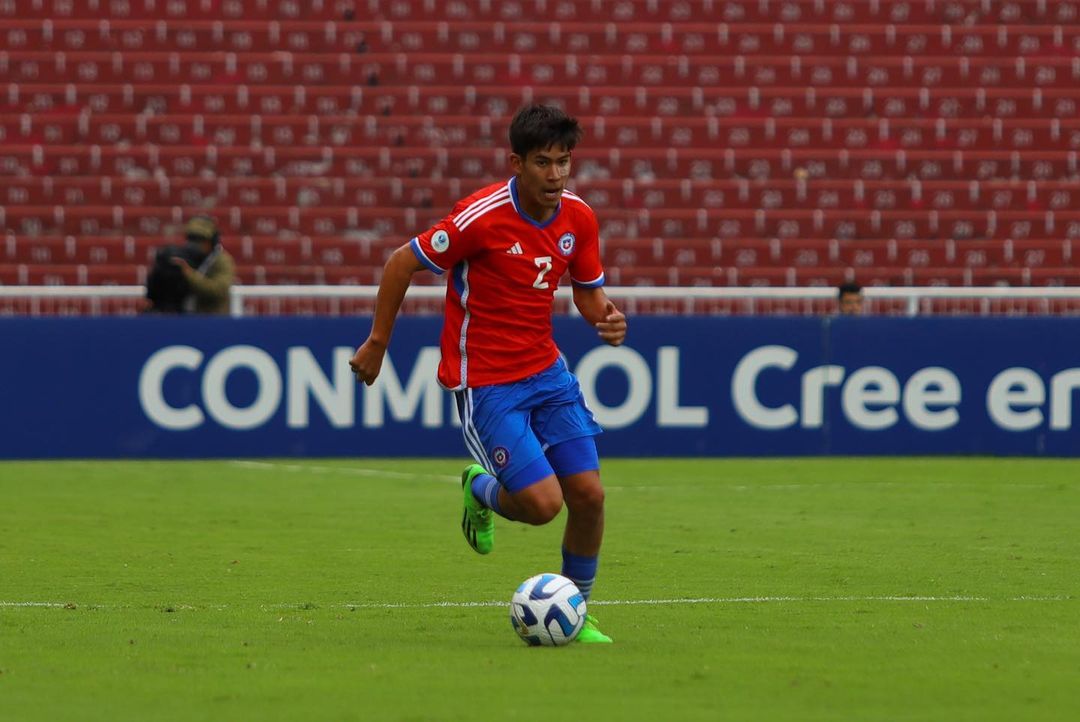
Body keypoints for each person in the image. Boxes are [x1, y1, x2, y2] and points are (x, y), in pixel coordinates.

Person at [349, 104, 627, 644]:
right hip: (487, 384)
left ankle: (576, 611)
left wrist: (606, 318)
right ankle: (480, 490)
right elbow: (400, 263)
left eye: (564, 162)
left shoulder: (579, 217)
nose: (555, 175)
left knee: (590, 496)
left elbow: (588, 292)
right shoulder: (481, 217)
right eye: (543, 163)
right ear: (516, 163)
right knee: (544, 506)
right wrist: (378, 342)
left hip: (547, 372)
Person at [146, 215, 235, 314]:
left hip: (211, 317)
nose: (195, 244)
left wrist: (189, 273)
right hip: (185, 315)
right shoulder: (185, 257)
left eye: (201, 239)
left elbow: (218, 290)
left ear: (212, 241)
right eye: (192, 239)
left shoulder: (221, 261)